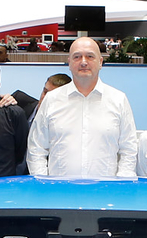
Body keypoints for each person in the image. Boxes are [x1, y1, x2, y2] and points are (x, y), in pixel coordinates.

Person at [27, 37, 137, 178]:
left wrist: (121, 184)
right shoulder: (52, 100)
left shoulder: (118, 100)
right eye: (77, 57)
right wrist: (43, 183)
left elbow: (129, 150)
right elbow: (36, 149)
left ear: (100, 62)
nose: (83, 62)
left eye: (90, 56)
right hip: (59, 189)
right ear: (69, 63)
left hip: (106, 189)